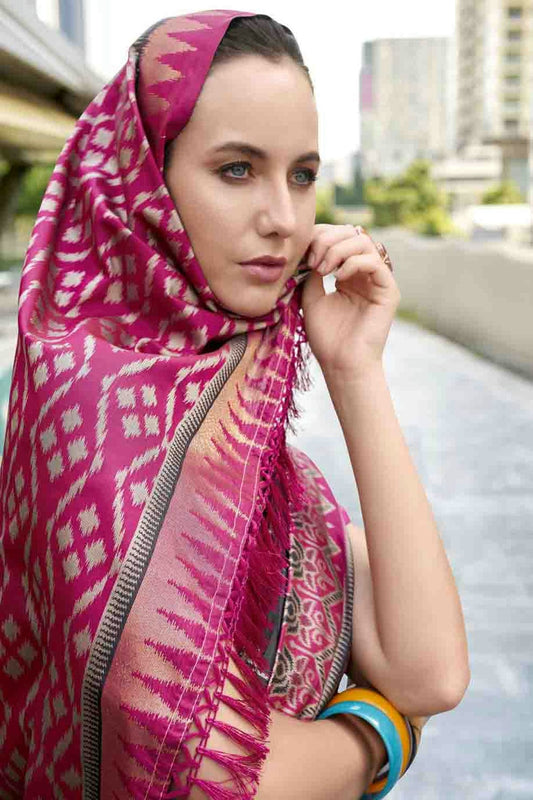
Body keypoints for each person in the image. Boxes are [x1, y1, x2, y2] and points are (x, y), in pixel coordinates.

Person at [0, 10, 470, 799]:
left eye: (301, 175)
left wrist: (354, 371)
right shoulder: (90, 413)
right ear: (142, 182)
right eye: (237, 170)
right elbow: (203, 774)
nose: (283, 219)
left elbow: (431, 673)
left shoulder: (239, 417)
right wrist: (381, 734)